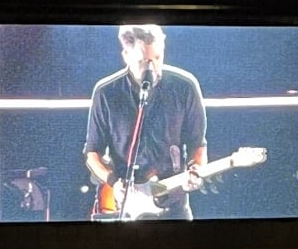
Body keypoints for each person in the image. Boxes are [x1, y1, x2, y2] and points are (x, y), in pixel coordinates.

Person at [84, 24, 207, 221]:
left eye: (158, 58)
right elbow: (92, 153)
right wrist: (113, 182)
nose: (152, 67)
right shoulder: (106, 93)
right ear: (126, 54)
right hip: (126, 207)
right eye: (144, 60)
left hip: (173, 207)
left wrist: (196, 171)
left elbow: (197, 144)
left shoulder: (185, 86)